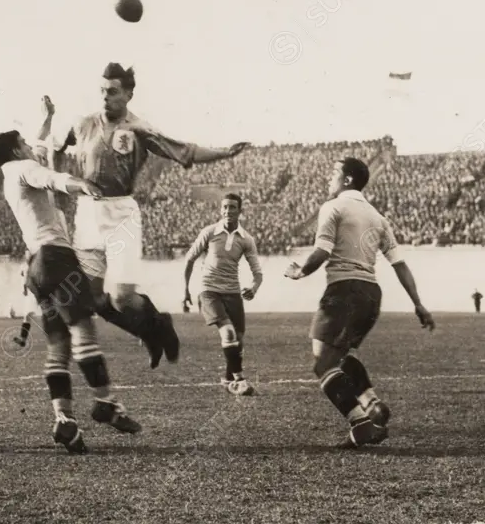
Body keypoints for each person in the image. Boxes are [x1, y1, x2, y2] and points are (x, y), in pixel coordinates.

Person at [49, 63, 252, 369]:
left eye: (113, 92)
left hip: (121, 214)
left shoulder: (139, 129)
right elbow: (56, 147)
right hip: (88, 213)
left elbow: (183, 151)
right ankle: (149, 332)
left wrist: (224, 152)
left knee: (121, 298)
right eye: (102, 91)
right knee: (93, 298)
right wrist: (58, 184)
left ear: (129, 94)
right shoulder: (84, 124)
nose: (106, 97)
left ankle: (162, 327)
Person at [0, 128, 141, 454]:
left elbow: (44, 152)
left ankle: (64, 420)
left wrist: (46, 120)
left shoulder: (11, 176)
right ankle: (107, 402)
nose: (30, 146)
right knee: (83, 329)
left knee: (59, 345)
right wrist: (81, 185)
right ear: (17, 151)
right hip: (56, 258)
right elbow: (52, 177)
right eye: (24, 143)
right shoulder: (23, 169)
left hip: (36, 266)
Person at [284, 157, 435, 448]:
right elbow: (399, 264)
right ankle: (371, 403)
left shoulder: (334, 207)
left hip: (344, 291)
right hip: (371, 295)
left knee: (323, 363)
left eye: (332, 172)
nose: (329, 178)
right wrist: (418, 304)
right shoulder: (378, 217)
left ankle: (360, 423)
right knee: (341, 357)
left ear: (347, 179)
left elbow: (322, 251)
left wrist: (300, 270)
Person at [183, 194, 263, 396]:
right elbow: (190, 259)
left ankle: (228, 380)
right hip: (209, 291)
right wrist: (185, 290)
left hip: (233, 293)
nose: (228, 211)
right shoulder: (209, 232)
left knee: (239, 341)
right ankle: (240, 380)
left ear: (240, 211)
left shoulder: (246, 239)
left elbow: (258, 273)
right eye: (225, 207)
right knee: (228, 333)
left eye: (232, 207)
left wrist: (253, 288)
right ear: (221, 210)